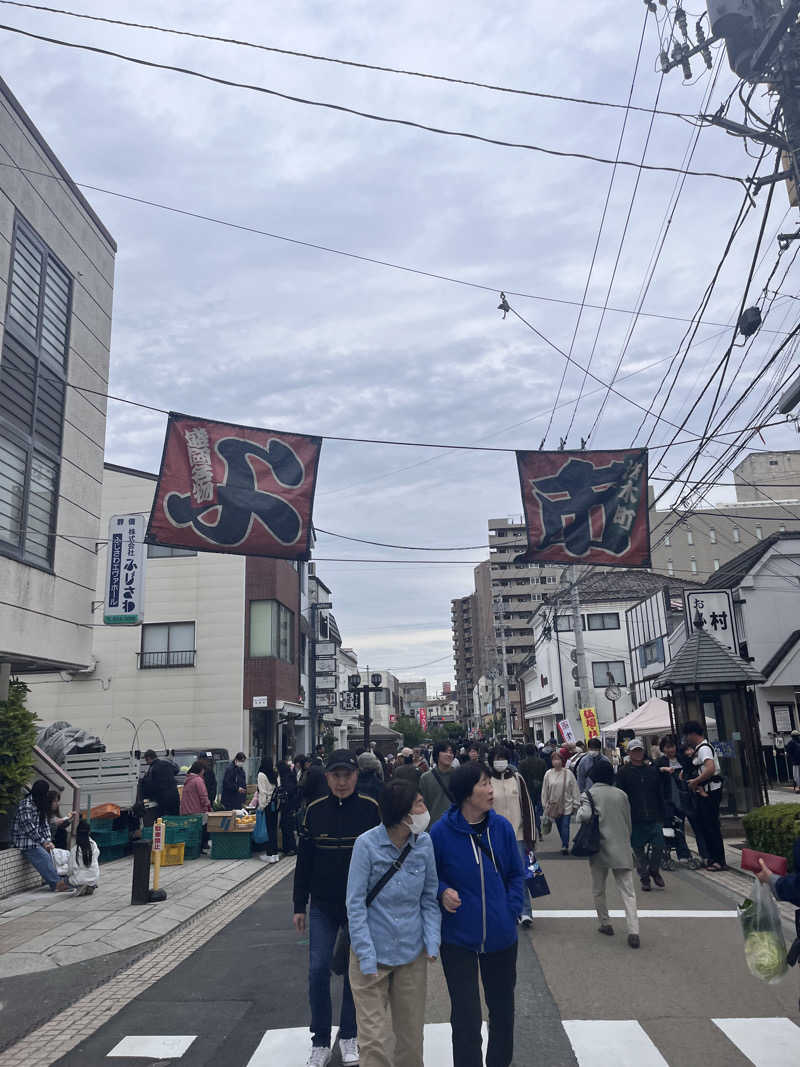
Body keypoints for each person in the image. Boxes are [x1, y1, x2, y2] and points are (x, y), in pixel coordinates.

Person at [430, 761, 524, 1067]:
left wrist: (510, 911)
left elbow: (516, 874)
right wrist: (442, 891)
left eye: (489, 783)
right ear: (466, 793)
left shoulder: (502, 828)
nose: (490, 789)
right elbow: (430, 877)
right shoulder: (441, 832)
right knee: (466, 1016)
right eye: (483, 783)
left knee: (502, 1012)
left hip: (501, 936)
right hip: (458, 938)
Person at [293, 749, 381, 1067]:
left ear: (356, 776)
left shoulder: (372, 810)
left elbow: (380, 859)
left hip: (361, 906)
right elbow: (304, 862)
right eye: (336, 775)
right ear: (327, 777)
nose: (342, 782)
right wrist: (298, 904)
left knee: (353, 974)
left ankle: (348, 1035)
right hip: (322, 905)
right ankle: (319, 1040)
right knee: (317, 970)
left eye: (347, 775)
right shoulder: (313, 811)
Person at [346, 780, 440, 1067]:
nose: (425, 810)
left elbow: (429, 897)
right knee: (373, 1042)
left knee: (411, 1039)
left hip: (411, 954)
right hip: (370, 955)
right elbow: (355, 904)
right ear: (402, 812)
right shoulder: (366, 845)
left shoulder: (424, 843)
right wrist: (365, 954)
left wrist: (431, 940)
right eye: (419, 804)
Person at [576, 760, 640, 948]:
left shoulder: (589, 794)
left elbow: (585, 815)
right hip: (621, 846)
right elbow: (628, 821)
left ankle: (605, 923)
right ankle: (633, 930)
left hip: (599, 847)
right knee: (628, 892)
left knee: (599, 889)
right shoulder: (621, 795)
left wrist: (579, 811)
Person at [489, 746, 536, 927]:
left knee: (522, 874)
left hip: (518, 834)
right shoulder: (487, 781)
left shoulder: (517, 779)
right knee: (499, 875)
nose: (500, 761)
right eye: (497, 758)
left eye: (503, 757)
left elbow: (527, 806)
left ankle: (525, 911)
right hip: (495, 836)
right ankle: (505, 910)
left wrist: (531, 836)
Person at [615, 738, 666, 891]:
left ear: (643, 752)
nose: (637, 753)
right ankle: (645, 877)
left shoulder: (652, 770)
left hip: (653, 814)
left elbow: (659, 793)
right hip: (634, 817)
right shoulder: (623, 772)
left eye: (640, 750)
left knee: (659, 845)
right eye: (634, 751)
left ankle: (654, 870)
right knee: (638, 850)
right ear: (629, 753)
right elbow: (620, 796)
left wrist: (663, 813)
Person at [683, 721, 727, 871]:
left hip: (710, 791)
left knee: (711, 826)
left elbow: (710, 768)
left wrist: (695, 781)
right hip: (706, 790)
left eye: (687, 735)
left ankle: (718, 860)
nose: (687, 738)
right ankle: (713, 858)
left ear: (693, 734)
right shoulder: (700, 749)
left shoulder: (704, 749)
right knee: (707, 826)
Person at [12, 780, 70, 891]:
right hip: (24, 840)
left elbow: (44, 824)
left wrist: (48, 840)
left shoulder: (39, 803)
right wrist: (43, 842)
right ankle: (56, 884)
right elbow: (28, 827)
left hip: (36, 839)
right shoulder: (26, 804)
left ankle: (63, 879)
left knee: (55, 854)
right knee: (43, 856)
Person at [654, 736, 695, 866]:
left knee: (680, 826)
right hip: (667, 800)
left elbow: (691, 768)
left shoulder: (682, 759)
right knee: (668, 828)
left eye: (672, 746)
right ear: (663, 749)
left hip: (682, 798)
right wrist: (664, 770)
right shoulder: (660, 761)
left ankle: (683, 854)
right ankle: (666, 854)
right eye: (667, 747)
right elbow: (654, 771)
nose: (670, 749)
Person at [541, 752, 580, 854]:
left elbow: (574, 788)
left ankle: (565, 845)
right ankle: (564, 841)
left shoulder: (568, 773)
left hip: (567, 804)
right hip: (554, 805)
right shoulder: (548, 774)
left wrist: (576, 803)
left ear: (562, 760)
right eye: (554, 759)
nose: (556, 761)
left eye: (558, 759)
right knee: (559, 825)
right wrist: (544, 804)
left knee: (565, 825)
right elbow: (545, 790)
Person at [419, 742, 456, 826]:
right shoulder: (425, 778)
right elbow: (422, 805)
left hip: (455, 826)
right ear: (437, 754)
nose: (448, 754)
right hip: (434, 827)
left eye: (451, 752)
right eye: (445, 751)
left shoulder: (460, 776)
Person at [181, 760, 213, 852]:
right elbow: (203, 796)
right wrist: (208, 807)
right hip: (196, 811)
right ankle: (202, 846)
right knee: (204, 827)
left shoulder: (188, 779)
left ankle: (193, 848)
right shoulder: (198, 780)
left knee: (191, 832)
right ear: (201, 770)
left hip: (186, 811)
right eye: (203, 770)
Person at [518, 743, 546, 838]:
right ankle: (539, 827)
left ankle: (535, 827)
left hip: (527, 789)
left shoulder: (522, 763)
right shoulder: (541, 762)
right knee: (538, 809)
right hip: (540, 788)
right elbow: (544, 776)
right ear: (535, 751)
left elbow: (520, 778)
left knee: (531, 810)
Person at [254, 756, 279, 863]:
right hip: (275, 804)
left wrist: (262, 806)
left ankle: (269, 854)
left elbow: (262, 792)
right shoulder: (274, 774)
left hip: (267, 805)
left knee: (268, 830)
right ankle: (275, 854)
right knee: (273, 830)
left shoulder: (261, 775)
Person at [141, 750, 180, 816]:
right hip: (174, 796)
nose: (147, 762)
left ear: (149, 758)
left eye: (146, 760)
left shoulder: (152, 768)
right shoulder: (166, 763)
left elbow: (150, 785)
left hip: (163, 799)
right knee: (175, 818)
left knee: (164, 820)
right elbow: (176, 770)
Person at [68, 819, 100, 896]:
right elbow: (97, 857)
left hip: (79, 879)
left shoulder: (75, 849)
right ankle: (91, 885)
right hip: (94, 877)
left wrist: (68, 874)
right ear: (89, 832)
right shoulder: (94, 845)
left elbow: (71, 868)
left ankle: (81, 886)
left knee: (67, 879)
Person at [277, 759, 300, 855]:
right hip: (288, 805)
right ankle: (287, 847)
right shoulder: (289, 775)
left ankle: (291, 848)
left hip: (288, 806)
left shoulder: (287, 777)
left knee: (287, 827)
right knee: (285, 826)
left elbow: (290, 790)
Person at [786, 729, 800, 794]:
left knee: (796, 776)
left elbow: (788, 752)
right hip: (796, 761)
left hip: (796, 762)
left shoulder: (791, 743)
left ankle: (798, 787)